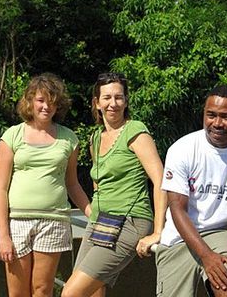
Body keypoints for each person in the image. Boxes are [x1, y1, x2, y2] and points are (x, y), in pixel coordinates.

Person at [156, 84, 227, 297]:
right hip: (179, 236)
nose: (217, 123)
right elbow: (177, 209)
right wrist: (206, 257)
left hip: (222, 231)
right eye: (211, 115)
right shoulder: (182, 149)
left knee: (225, 284)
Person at [62, 72, 167, 297]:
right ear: (97, 103)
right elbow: (98, 184)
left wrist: (158, 231)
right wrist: (92, 214)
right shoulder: (95, 138)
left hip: (129, 220)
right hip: (100, 221)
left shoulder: (135, 131)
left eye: (119, 97)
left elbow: (160, 179)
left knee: (71, 293)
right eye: (107, 98)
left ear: (126, 101)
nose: (113, 103)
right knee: (93, 291)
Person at [0, 72, 91, 297]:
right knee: (17, 293)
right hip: (17, 222)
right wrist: (3, 236)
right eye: (41, 100)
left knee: (43, 290)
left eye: (52, 102)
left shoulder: (69, 139)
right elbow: (0, 189)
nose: (46, 107)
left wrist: (91, 212)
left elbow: (73, 184)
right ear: (29, 101)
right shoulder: (11, 136)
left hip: (54, 222)